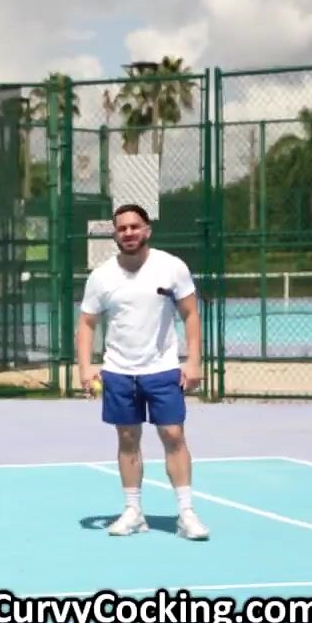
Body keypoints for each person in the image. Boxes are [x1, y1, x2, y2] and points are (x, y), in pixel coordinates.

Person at [75, 203, 209, 541]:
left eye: (135, 227)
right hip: (118, 372)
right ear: (115, 234)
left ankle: (186, 514)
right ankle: (133, 512)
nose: (129, 233)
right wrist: (85, 368)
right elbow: (87, 323)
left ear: (147, 230)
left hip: (162, 369)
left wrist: (194, 361)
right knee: (127, 438)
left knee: (173, 436)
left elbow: (191, 314)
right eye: (122, 228)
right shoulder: (102, 276)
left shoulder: (172, 267)